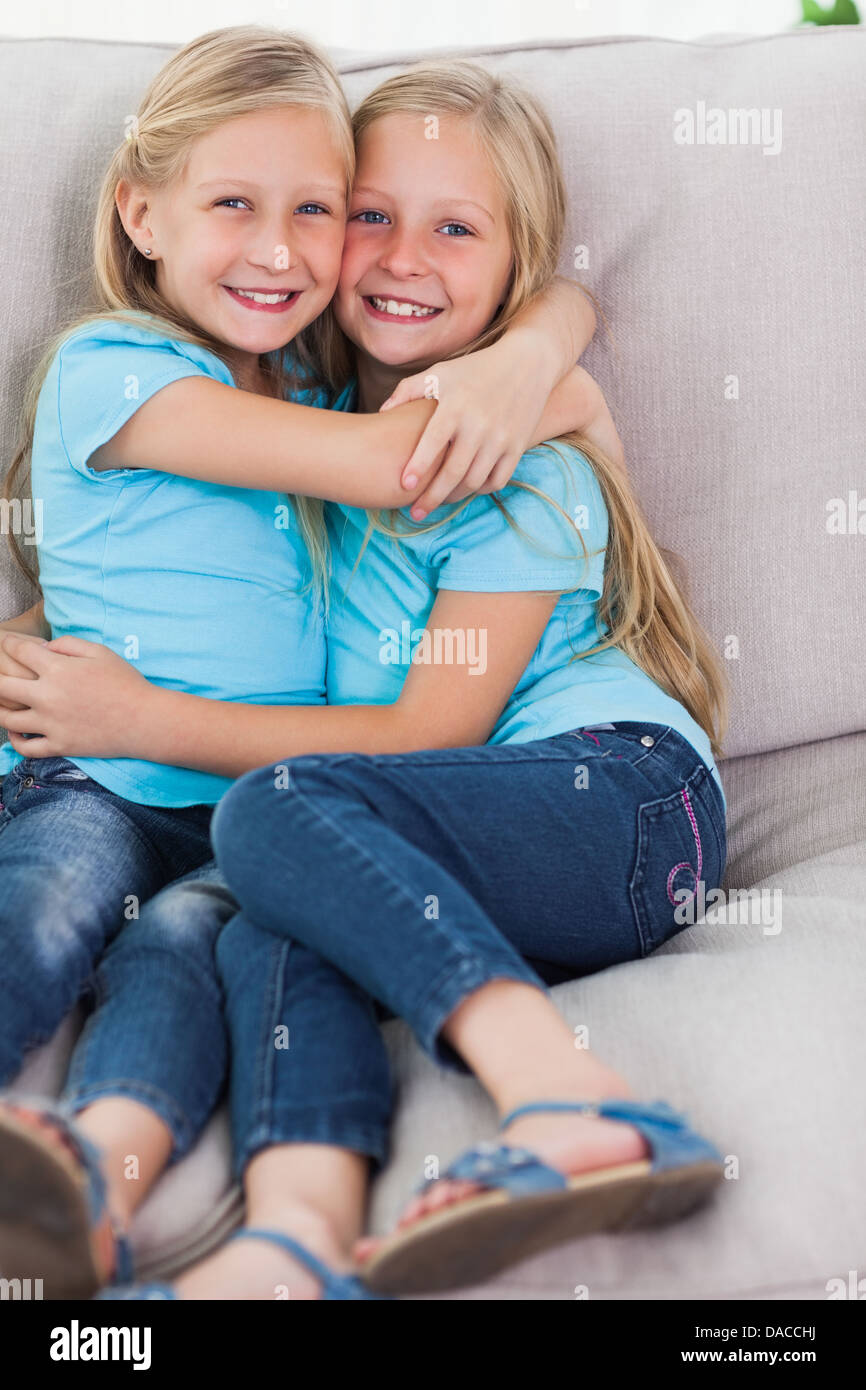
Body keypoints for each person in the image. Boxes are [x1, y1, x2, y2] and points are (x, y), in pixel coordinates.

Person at [2, 60, 728, 1299]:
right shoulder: (300, 419)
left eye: (453, 229)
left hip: (621, 793)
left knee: (280, 813)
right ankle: (287, 1245)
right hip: (422, 826)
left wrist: (536, 353)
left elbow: (425, 724)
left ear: (511, 261)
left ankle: (570, 1101)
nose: (392, 257)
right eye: (372, 215)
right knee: (236, 911)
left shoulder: (511, 469)